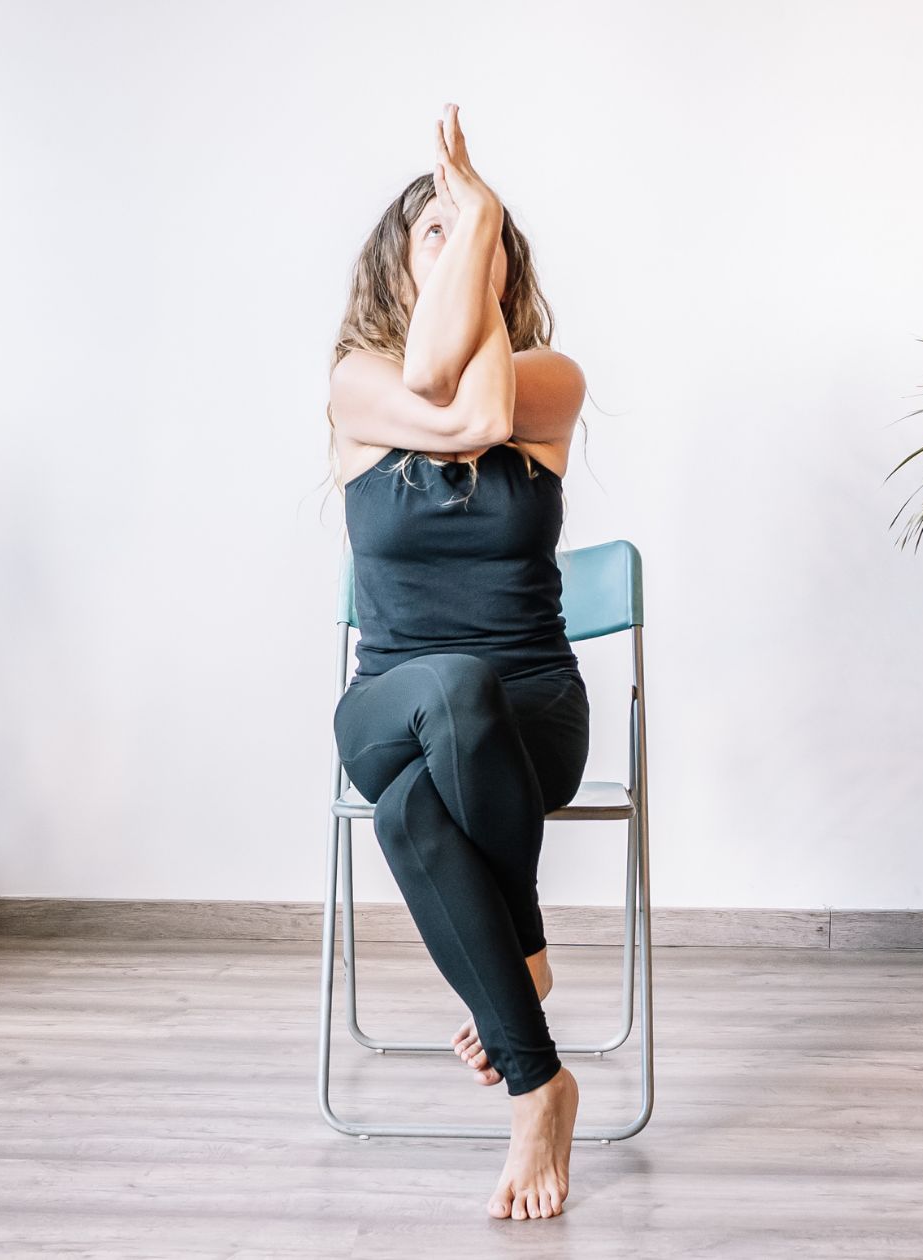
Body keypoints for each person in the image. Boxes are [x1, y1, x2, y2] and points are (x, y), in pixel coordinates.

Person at [323, 103, 591, 1222]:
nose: (459, 245)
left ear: (503, 267)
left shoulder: (552, 379)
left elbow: (476, 403)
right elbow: (446, 392)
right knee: (444, 684)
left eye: (479, 235)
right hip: (387, 704)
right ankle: (523, 955)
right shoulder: (356, 381)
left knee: (410, 815)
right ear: (396, 266)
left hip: (531, 712)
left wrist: (466, 239)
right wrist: (468, 223)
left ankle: (537, 1085)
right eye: (433, 232)